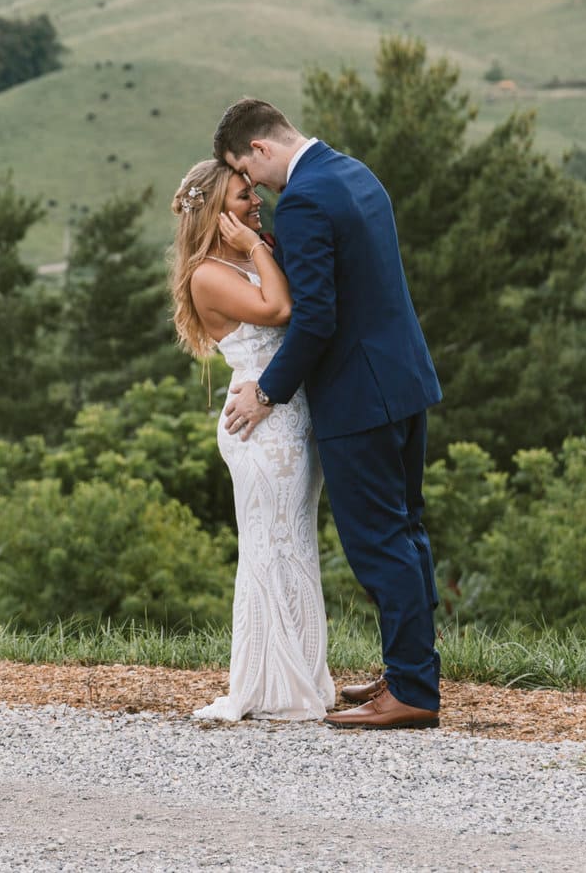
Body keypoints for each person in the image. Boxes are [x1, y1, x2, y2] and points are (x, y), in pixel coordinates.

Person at [215, 97, 444, 731]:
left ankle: (415, 692)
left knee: (378, 544)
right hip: (404, 381)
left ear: (260, 149)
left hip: (357, 396)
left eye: (247, 170)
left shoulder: (307, 200)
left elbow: (316, 318)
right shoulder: (355, 172)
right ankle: (408, 669)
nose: (254, 185)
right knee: (408, 532)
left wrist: (265, 392)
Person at [171, 158, 335, 722]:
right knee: (268, 550)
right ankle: (268, 686)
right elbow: (281, 309)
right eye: (243, 196)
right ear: (217, 212)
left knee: (295, 547)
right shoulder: (207, 273)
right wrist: (260, 247)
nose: (256, 200)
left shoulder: (246, 254)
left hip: (289, 420)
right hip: (258, 427)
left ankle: (301, 677)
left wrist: (256, 245)